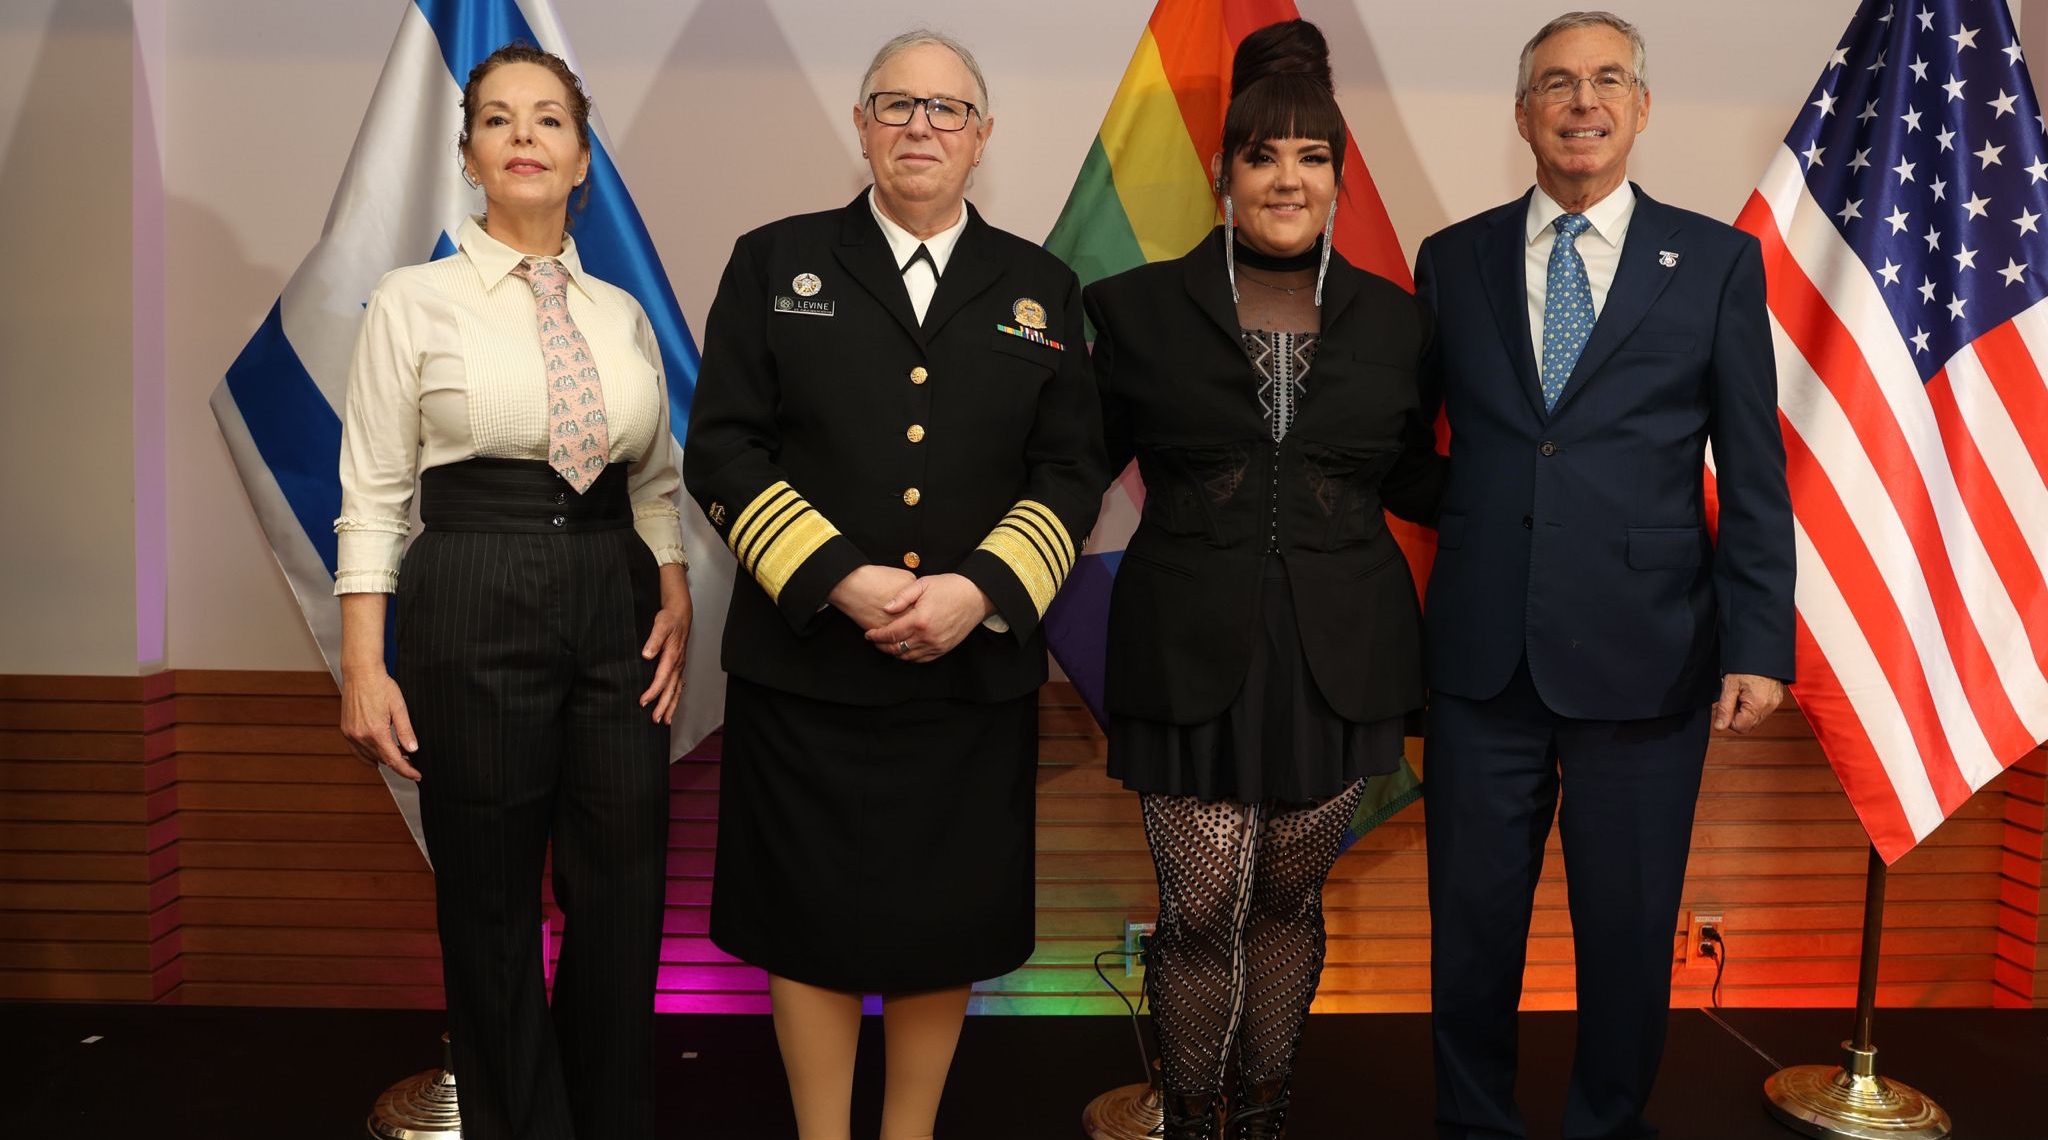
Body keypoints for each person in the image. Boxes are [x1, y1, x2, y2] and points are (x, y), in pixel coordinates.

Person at [682, 28, 1105, 1140]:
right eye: (896, 106)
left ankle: (907, 1132)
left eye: (946, 110)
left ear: (981, 139)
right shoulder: (775, 262)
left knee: (944, 922)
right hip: (809, 665)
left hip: (970, 679)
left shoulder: (1041, 286)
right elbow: (722, 451)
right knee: (805, 920)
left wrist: (980, 589)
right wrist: (840, 579)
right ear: (863, 126)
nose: (921, 126)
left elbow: (1070, 471)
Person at [1412, 11, 1795, 1139]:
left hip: (1650, 657)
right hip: (1482, 663)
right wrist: (1488, 521)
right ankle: (1472, 1123)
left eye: (1606, 82)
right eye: (1556, 85)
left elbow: (1752, 465)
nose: (1581, 103)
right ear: (1522, 111)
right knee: (1468, 929)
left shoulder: (1716, 261)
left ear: (1638, 107)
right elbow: (1403, 445)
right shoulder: (1453, 258)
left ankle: (1603, 1124)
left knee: (1627, 933)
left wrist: (1757, 643)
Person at [1084, 20, 1444, 1140]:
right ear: (1220, 174)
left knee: (1288, 901)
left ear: (1336, 176)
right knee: (1198, 912)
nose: (1285, 178)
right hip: (1185, 652)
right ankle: (1195, 1120)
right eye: (1261, 156)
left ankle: (1265, 1113)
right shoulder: (1133, 312)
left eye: (1310, 156)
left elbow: (1421, 481)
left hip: (1343, 660)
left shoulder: (1398, 323)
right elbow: (1068, 471)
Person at [333, 44, 690, 1140]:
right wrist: (361, 663)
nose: (525, 137)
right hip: (471, 586)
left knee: (623, 892)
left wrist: (672, 595)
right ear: (470, 155)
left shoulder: (621, 313)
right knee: (488, 896)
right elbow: (374, 492)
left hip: (613, 600)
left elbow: (657, 481)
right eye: (498, 120)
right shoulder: (411, 300)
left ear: (582, 159)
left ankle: (605, 1119)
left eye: (548, 121)